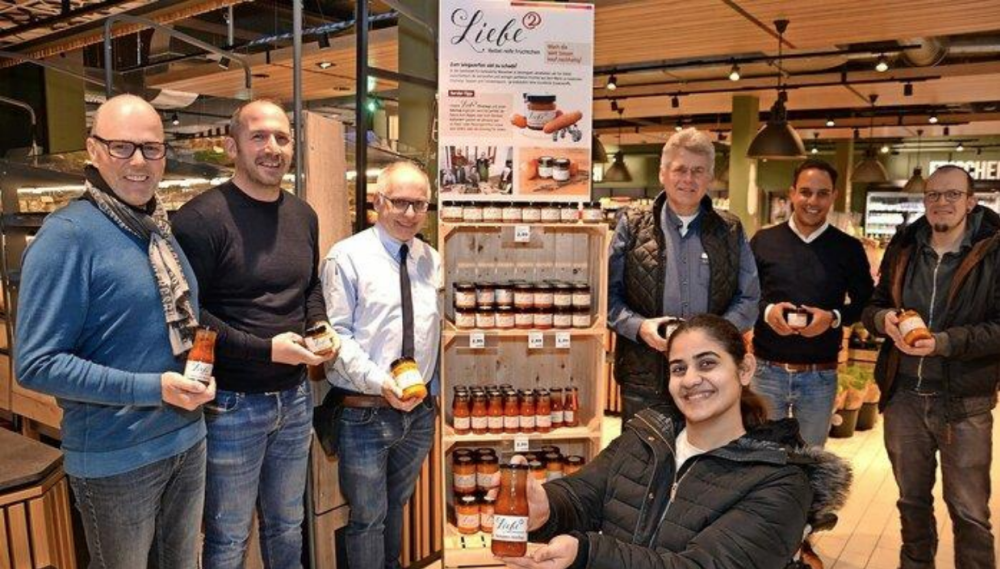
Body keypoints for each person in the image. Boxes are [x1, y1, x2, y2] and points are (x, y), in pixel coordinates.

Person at [15, 94, 214, 569]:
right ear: (93, 150)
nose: (139, 162)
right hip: (117, 460)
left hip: (187, 440)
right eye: (122, 147)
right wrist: (154, 388)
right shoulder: (67, 235)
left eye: (152, 148)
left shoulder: (157, 227)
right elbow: (37, 364)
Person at [499, 314, 851, 569]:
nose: (690, 379)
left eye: (707, 364)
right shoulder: (645, 439)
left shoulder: (780, 482)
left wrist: (588, 554)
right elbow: (583, 495)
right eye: (679, 368)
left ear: (744, 369)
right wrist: (546, 506)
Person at [172, 99, 336, 569]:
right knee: (228, 535)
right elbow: (189, 314)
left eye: (282, 138)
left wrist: (318, 325)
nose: (272, 148)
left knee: (288, 523)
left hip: (295, 398)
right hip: (231, 404)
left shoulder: (303, 215)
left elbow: (309, 286)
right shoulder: (200, 219)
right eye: (258, 136)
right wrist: (266, 350)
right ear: (232, 147)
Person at [861, 164, 999, 569]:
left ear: (971, 202)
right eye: (933, 194)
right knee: (911, 503)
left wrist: (944, 343)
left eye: (953, 194)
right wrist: (882, 320)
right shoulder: (905, 245)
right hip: (904, 397)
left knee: (970, 511)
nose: (942, 202)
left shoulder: (993, 252)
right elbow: (874, 304)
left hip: (964, 403)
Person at [321, 161, 441, 569]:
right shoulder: (347, 257)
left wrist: (431, 394)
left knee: (396, 506)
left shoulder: (430, 259)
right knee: (368, 518)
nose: (410, 213)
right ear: (377, 201)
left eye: (419, 204)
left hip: (418, 414)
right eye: (399, 202)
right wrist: (380, 382)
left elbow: (432, 332)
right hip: (365, 413)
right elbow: (336, 336)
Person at [608, 127, 760, 421]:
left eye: (698, 171)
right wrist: (640, 327)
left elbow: (749, 298)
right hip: (645, 379)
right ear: (663, 173)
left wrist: (710, 338)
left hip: (711, 382)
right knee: (645, 451)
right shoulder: (632, 226)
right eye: (680, 169)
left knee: (709, 451)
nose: (688, 179)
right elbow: (608, 297)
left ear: (710, 177)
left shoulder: (730, 230)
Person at [750, 159, 874, 447]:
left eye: (822, 193)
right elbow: (744, 295)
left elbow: (867, 302)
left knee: (810, 461)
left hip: (820, 376)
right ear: (792, 193)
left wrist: (832, 317)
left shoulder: (848, 248)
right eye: (805, 192)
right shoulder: (763, 241)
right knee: (763, 458)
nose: (813, 201)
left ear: (834, 196)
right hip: (766, 373)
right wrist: (767, 312)